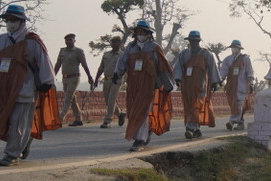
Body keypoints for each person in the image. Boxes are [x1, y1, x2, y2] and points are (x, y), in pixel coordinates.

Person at [0, 4, 60, 165]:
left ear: (22, 21)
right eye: (8, 20)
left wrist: (47, 82)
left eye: (14, 20)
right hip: (3, 90)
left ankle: (12, 154)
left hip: (25, 89)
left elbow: (44, 63)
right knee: (5, 121)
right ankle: (23, 142)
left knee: (18, 122)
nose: (10, 23)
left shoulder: (32, 42)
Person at [113, 19, 175, 152]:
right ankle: (145, 132)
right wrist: (117, 74)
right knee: (133, 110)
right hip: (133, 83)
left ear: (148, 34)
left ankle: (139, 140)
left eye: (143, 32)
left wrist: (168, 84)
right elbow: (122, 61)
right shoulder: (131, 47)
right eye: (138, 32)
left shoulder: (154, 48)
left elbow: (163, 66)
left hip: (148, 84)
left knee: (143, 110)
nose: (140, 34)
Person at [174, 31, 220, 139]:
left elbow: (212, 68)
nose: (193, 43)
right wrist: (177, 78)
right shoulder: (184, 54)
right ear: (189, 41)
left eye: (195, 41)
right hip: (187, 85)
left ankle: (190, 128)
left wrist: (214, 82)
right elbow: (178, 67)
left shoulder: (206, 54)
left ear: (198, 42)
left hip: (200, 85)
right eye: (191, 41)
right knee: (189, 106)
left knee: (196, 105)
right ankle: (196, 128)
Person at [53, 33, 93, 127]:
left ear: (74, 41)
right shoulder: (62, 51)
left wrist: (89, 76)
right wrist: (52, 75)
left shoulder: (78, 51)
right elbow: (58, 64)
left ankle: (60, 118)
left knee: (67, 99)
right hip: (65, 78)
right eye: (67, 40)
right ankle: (78, 119)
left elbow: (84, 64)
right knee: (72, 99)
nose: (69, 41)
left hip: (74, 77)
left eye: (71, 39)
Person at [219, 39, 254, 131]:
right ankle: (241, 123)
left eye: (236, 48)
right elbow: (223, 72)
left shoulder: (245, 59)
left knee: (239, 104)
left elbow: (249, 72)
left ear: (239, 49)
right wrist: (219, 80)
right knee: (233, 104)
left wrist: (250, 83)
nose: (234, 49)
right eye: (233, 48)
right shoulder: (227, 60)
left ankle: (232, 121)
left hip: (242, 85)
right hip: (231, 86)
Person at [92, 35, 125, 128]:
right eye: (113, 42)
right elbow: (101, 67)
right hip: (106, 79)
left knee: (111, 100)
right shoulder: (106, 54)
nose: (114, 44)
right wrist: (96, 78)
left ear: (120, 44)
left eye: (116, 42)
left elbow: (125, 68)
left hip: (116, 80)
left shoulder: (122, 55)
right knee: (107, 101)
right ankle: (120, 114)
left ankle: (107, 121)